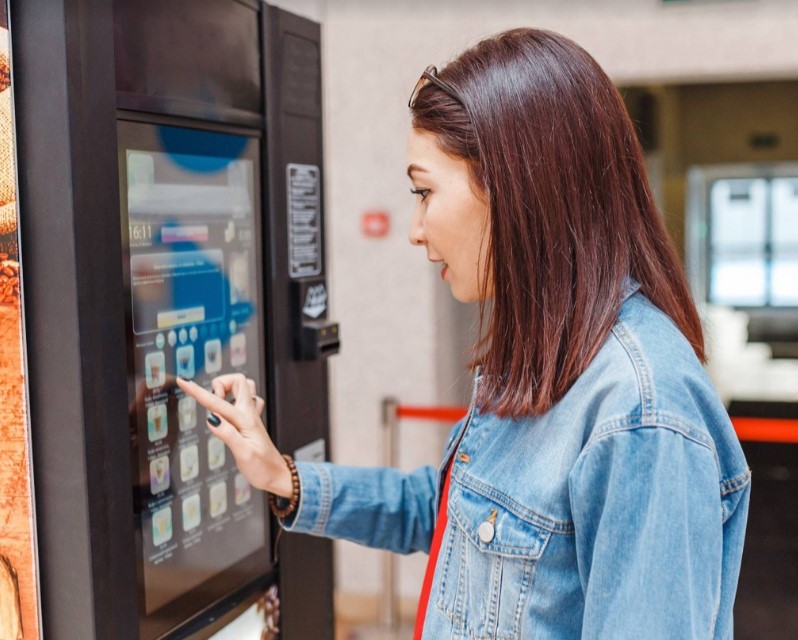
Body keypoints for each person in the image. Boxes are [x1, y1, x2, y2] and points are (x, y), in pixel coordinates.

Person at [177, 27, 750, 640]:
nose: (416, 229)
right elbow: (452, 510)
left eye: (424, 192)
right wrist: (283, 477)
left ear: (513, 188)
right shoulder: (545, 350)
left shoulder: (641, 414)